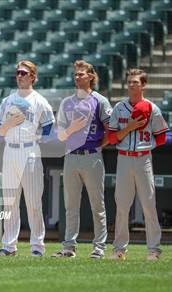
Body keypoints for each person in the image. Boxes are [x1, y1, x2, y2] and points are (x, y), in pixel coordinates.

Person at [52, 60, 112, 259]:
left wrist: (96, 145)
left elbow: (110, 131)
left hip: (91, 156)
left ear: (91, 77)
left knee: (98, 205)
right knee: (71, 206)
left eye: (81, 74)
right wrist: (71, 130)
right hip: (71, 156)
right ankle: (69, 247)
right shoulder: (67, 102)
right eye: (75, 74)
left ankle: (99, 248)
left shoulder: (100, 100)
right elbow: (59, 134)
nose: (77, 77)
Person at [0, 61, 54, 257]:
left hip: (30, 151)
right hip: (10, 151)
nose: (19, 75)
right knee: (10, 202)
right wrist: (9, 124)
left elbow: (49, 126)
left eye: (24, 73)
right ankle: (9, 246)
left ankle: (37, 246)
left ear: (32, 77)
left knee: (34, 202)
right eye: (18, 72)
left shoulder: (40, 101)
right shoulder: (7, 100)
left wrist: (38, 139)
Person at [108, 68, 168, 261]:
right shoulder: (119, 108)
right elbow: (112, 138)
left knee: (149, 205)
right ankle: (119, 250)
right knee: (122, 206)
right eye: (129, 81)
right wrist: (130, 127)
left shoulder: (152, 108)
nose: (131, 84)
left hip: (143, 158)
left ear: (143, 85)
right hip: (124, 158)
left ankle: (154, 250)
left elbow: (161, 138)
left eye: (135, 82)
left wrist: (144, 142)